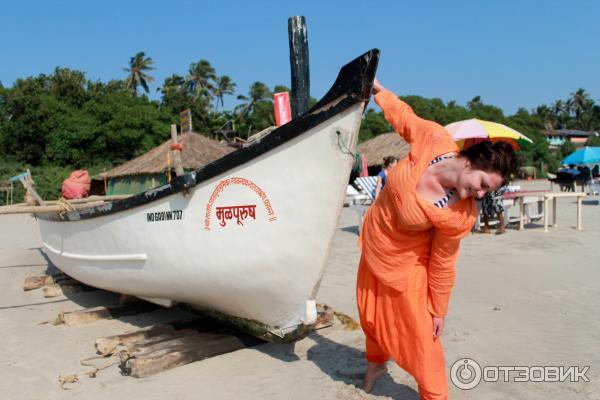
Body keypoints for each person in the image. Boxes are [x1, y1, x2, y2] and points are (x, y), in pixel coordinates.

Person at [357, 78, 518, 399]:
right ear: (469, 162)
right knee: (370, 316)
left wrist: (438, 310)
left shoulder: (461, 214)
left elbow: (444, 263)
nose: (482, 193)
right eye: (483, 182)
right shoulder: (434, 139)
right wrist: (378, 90)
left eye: (490, 191)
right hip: (374, 245)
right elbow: (403, 116)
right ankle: (376, 365)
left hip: (409, 265)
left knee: (422, 338)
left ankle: (435, 395)